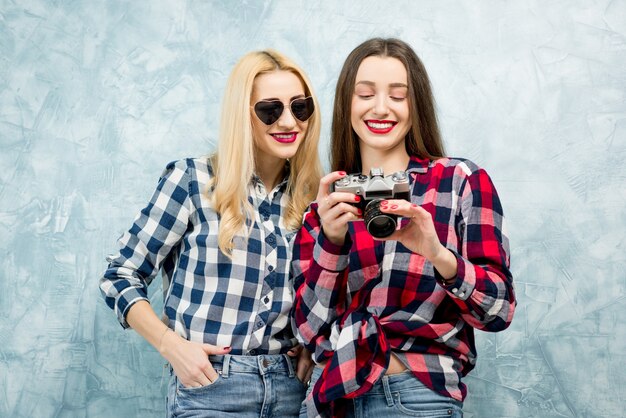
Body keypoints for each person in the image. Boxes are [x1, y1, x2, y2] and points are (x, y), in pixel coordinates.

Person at [292, 38, 516, 418]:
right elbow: (309, 332)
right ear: (347, 103)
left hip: (416, 395)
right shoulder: (327, 205)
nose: (381, 107)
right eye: (365, 94)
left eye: (399, 95)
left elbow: (498, 311)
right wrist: (331, 243)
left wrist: (438, 255)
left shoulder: (459, 181)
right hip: (331, 399)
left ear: (417, 105)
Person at [100, 49, 322, 417]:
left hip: (290, 393)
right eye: (271, 109)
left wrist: (313, 349)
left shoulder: (313, 198)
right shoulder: (192, 180)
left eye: (300, 108)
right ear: (243, 115)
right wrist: (172, 346)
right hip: (210, 387)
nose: (288, 121)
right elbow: (120, 275)